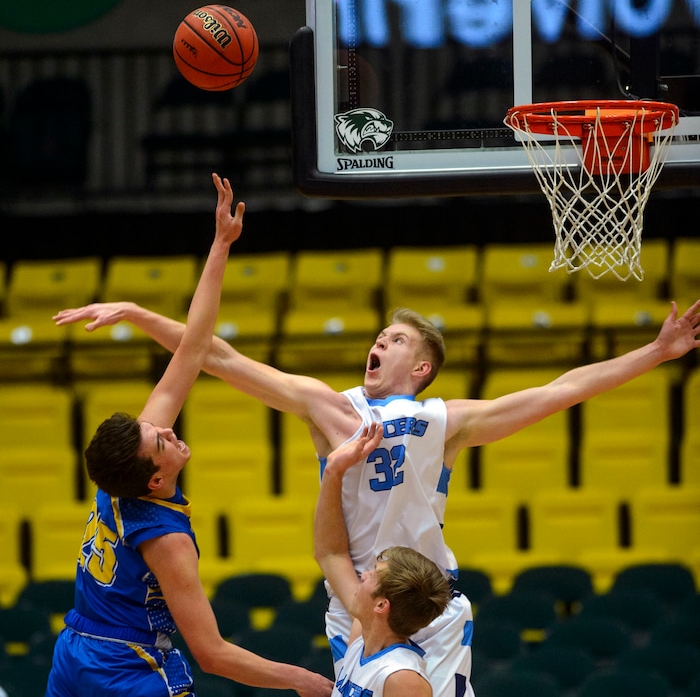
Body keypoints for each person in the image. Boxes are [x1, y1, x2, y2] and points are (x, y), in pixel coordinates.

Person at [53, 280, 700, 697]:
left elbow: (560, 391)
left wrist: (655, 353)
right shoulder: (329, 407)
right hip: (357, 600)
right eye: (379, 335)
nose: (379, 342)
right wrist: (141, 315)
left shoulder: (444, 420)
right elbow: (213, 356)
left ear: (420, 367)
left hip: (429, 600)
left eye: (396, 340)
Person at [46, 173, 333, 697]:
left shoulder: (123, 470)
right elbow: (211, 654)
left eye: (152, 427)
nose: (165, 428)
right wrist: (306, 681)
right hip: (128, 668)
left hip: (73, 653)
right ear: (155, 480)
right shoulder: (167, 539)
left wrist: (220, 245)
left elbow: (194, 349)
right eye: (159, 441)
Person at [315, 421, 452, 697]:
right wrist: (333, 471)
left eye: (373, 574)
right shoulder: (361, 644)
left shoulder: (402, 678)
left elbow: (333, 555)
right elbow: (330, 553)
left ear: (381, 605)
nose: (363, 575)